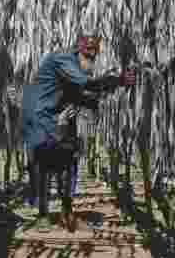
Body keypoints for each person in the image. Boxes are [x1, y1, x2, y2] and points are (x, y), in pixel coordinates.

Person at [20, 35, 135, 232]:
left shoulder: (72, 68)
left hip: (60, 113)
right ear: (79, 53)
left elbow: (82, 95)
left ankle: (67, 213)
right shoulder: (63, 60)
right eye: (89, 59)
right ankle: (43, 215)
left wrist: (107, 91)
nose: (91, 64)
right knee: (42, 162)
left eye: (94, 59)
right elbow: (87, 85)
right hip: (39, 116)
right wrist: (118, 80)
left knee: (69, 160)